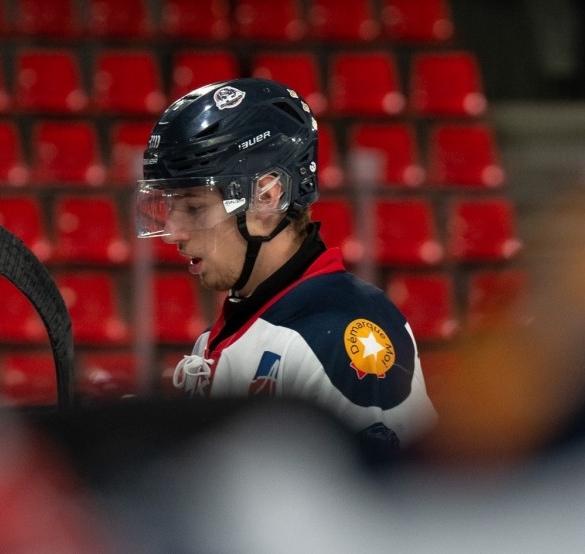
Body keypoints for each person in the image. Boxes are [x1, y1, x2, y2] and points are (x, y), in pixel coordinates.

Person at [135, 78, 436, 452]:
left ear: (267, 195)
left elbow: (387, 503)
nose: (171, 233)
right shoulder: (239, 328)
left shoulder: (343, 337)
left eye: (195, 207)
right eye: (171, 207)